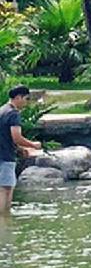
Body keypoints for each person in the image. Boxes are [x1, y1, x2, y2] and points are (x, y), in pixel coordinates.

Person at [2, 84, 43, 216]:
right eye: (26, 99)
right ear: (18, 97)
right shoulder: (13, 114)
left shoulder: (2, 110)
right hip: (5, 157)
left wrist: (20, 148)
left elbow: (4, 136)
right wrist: (33, 145)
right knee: (6, 189)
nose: (27, 103)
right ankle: (4, 222)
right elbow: (16, 137)